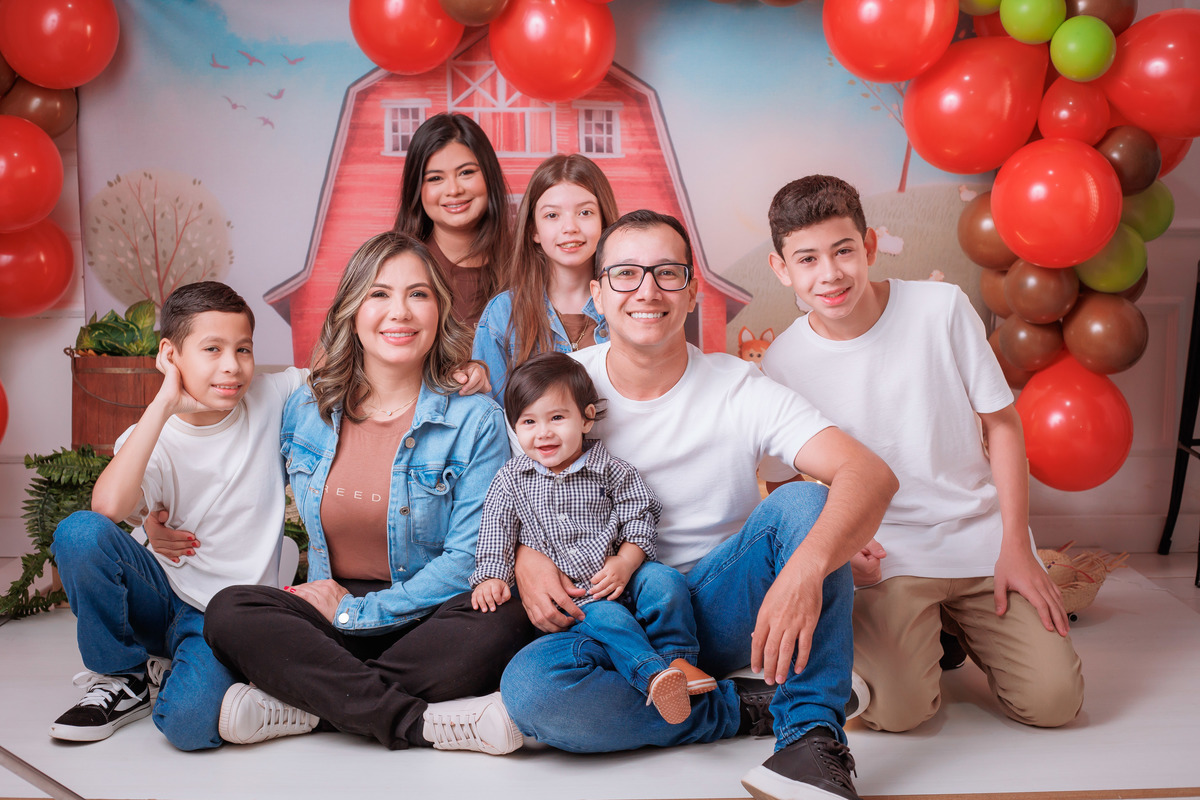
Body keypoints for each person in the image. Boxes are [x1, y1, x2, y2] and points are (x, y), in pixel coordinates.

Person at [498, 210, 898, 800]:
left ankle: (810, 737)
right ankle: (740, 708)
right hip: (608, 614)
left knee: (808, 503)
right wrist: (526, 557)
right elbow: (513, 496)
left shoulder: (739, 388)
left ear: (690, 294)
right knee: (532, 691)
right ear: (596, 295)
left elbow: (869, 474)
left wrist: (807, 568)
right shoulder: (553, 391)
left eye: (667, 273)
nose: (647, 291)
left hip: (718, 602)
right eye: (626, 274)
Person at [759, 174, 1084, 734]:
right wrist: (842, 549)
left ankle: (950, 625)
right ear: (781, 268)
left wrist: (1016, 545)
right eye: (807, 259)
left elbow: (1002, 426)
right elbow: (787, 483)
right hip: (887, 555)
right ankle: (929, 627)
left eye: (843, 250)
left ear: (869, 246)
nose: (829, 273)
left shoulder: (941, 308)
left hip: (981, 538)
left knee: (1055, 704)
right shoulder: (784, 361)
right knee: (898, 712)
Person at [203, 231, 536, 754]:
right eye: (380, 294)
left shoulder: (476, 420)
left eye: (418, 294)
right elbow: (226, 467)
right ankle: (419, 723)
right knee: (229, 610)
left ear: (439, 311)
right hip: (327, 615)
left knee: (504, 619)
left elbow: (468, 559)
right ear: (353, 311)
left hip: (428, 614)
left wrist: (360, 613)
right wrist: (156, 517)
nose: (399, 312)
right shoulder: (306, 409)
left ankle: (311, 706)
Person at [49, 282, 305, 750]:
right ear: (170, 354)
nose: (232, 365)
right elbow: (106, 509)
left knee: (188, 726)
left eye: (243, 348)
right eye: (212, 349)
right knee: (80, 533)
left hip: (220, 615)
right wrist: (165, 403)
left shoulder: (274, 395)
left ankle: (178, 667)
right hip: (160, 592)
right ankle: (123, 677)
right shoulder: (152, 434)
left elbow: (346, 367)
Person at [471, 351, 715, 725]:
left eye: (557, 418)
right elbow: (495, 530)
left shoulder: (612, 470)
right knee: (609, 620)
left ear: (586, 418)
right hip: (581, 596)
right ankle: (654, 676)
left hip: (627, 575)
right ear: (515, 427)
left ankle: (678, 660)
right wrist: (490, 576)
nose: (543, 432)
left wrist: (627, 561)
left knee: (666, 582)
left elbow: (641, 515)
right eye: (529, 421)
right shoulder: (511, 480)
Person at [472, 154, 619, 405]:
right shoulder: (503, 314)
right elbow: (490, 416)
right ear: (534, 230)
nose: (570, 227)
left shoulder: (628, 304)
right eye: (552, 215)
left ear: (604, 223)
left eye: (585, 212)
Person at [393, 112, 513, 328]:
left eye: (466, 172)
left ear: (489, 176)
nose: (454, 190)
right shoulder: (394, 267)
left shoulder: (526, 262)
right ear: (416, 188)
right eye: (435, 178)